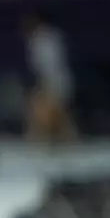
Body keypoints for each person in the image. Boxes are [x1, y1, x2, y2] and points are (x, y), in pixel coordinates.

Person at [22, 10, 75, 143]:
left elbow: (49, 66)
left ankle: (40, 139)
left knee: (46, 112)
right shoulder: (50, 36)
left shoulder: (40, 40)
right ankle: (67, 138)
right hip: (57, 80)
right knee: (56, 114)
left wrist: (45, 86)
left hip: (54, 81)